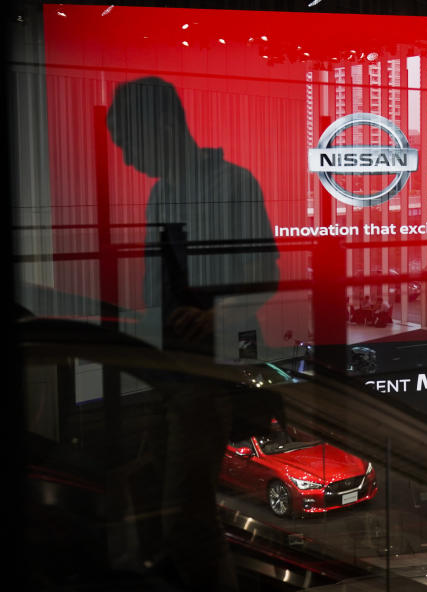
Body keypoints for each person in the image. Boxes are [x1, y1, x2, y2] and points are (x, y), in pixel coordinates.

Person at [106, 76, 280, 590]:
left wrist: (215, 318)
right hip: (173, 368)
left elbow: (265, 273)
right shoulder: (162, 194)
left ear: (160, 127)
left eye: (129, 146)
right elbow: (154, 288)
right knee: (167, 505)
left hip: (210, 370)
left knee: (188, 516)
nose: (129, 161)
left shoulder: (233, 183)